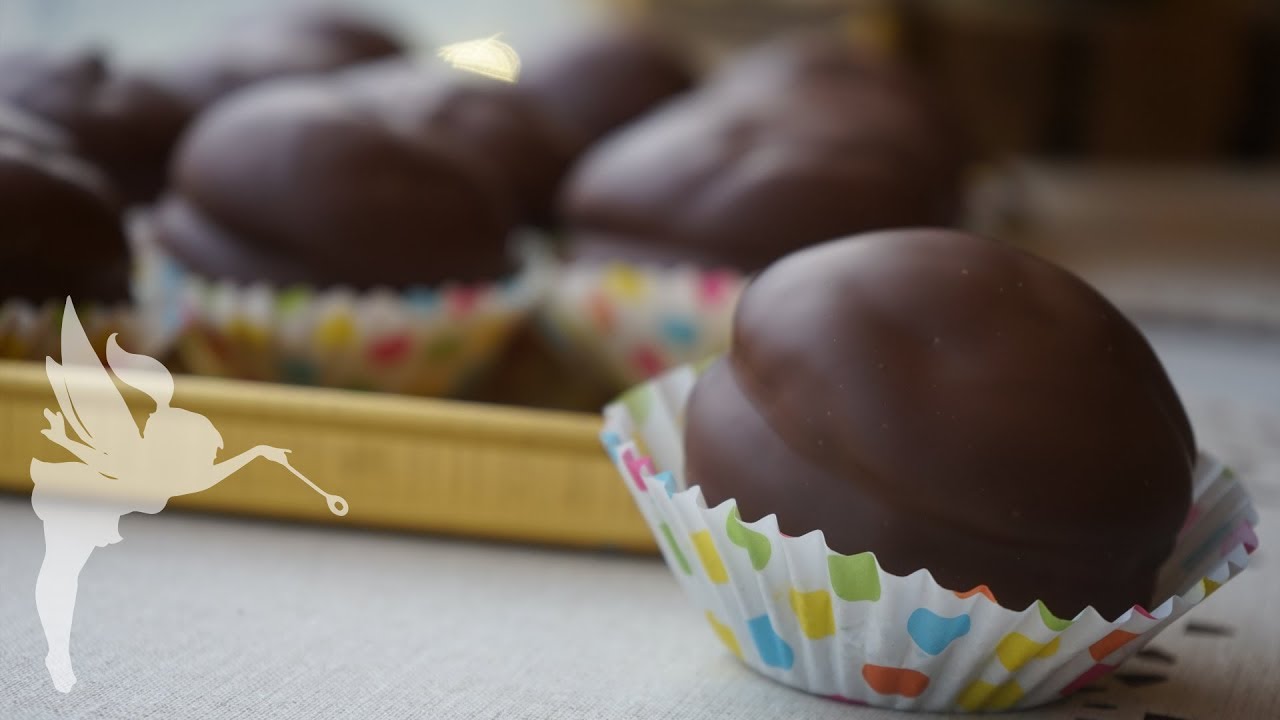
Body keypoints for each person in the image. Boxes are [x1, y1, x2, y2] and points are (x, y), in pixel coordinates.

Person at [32, 299, 291, 692]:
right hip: (83, 500)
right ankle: (57, 653)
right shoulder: (148, 465)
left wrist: (258, 452)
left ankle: (58, 653)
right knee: (61, 574)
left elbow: (210, 473)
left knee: (65, 576)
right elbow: (106, 460)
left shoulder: (171, 474)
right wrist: (60, 438)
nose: (209, 454)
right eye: (205, 444)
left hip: (104, 503)